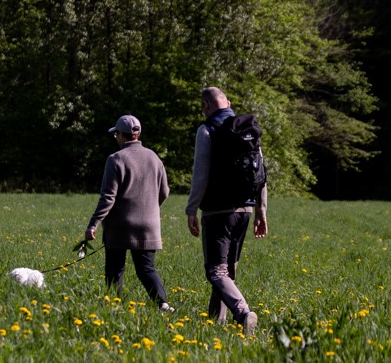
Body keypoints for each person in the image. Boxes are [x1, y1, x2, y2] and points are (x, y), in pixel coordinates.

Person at [186, 87, 268, 334]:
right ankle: (216, 324)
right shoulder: (248, 130)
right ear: (228, 103)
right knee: (227, 271)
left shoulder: (207, 130)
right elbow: (261, 174)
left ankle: (243, 313)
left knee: (216, 271)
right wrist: (261, 211)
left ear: (206, 106)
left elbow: (200, 174)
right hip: (245, 210)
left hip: (217, 211)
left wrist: (191, 209)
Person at [86, 115, 175, 312]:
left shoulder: (115, 159)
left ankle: (113, 307)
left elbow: (108, 197)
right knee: (146, 269)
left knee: (115, 270)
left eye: (116, 134)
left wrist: (93, 224)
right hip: (149, 225)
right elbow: (164, 192)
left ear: (120, 135)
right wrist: (151, 209)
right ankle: (163, 303)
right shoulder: (154, 158)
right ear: (138, 134)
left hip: (119, 226)